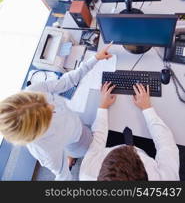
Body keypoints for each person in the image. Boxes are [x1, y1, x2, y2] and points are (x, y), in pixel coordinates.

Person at [0, 44, 112, 181]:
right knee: (85, 147)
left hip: (74, 125)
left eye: (47, 100)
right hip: (79, 140)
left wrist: (94, 59)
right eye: (48, 116)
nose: (53, 107)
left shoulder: (32, 91)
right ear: (37, 132)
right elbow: (63, 177)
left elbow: (66, 81)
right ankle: (70, 157)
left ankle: (69, 157)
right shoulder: (45, 152)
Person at [79, 82, 180, 180]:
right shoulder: (167, 179)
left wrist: (103, 106)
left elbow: (97, 142)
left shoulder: (87, 174)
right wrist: (147, 108)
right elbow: (166, 144)